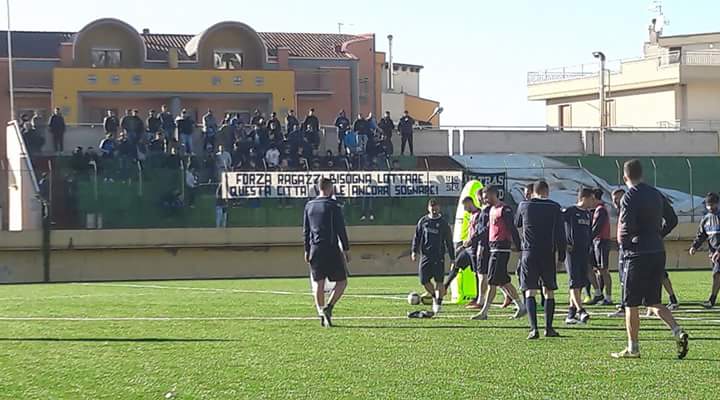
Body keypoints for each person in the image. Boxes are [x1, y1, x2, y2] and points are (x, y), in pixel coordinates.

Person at [611, 159, 688, 359]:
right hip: (657, 251)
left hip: (637, 254)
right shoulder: (655, 193)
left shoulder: (629, 197)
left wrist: (624, 246)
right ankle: (677, 331)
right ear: (642, 174)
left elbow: (625, 227)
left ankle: (633, 348)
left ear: (625, 177)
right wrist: (658, 235)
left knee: (631, 303)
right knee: (653, 301)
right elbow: (672, 219)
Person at [515, 180, 566, 339]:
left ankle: (533, 329)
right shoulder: (554, 207)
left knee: (530, 290)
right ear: (547, 191)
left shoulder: (524, 205)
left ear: (532, 192)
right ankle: (549, 328)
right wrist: (561, 256)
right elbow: (560, 234)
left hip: (529, 252)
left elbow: (516, 223)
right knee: (549, 290)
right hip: (547, 253)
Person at [472, 186, 526, 320]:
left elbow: (512, 228)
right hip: (493, 248)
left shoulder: (504, 209)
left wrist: (518, 247)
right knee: (503, 281)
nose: (484, 199)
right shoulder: (491, 210)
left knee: (492, 282)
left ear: (493, 195)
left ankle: (484, 312)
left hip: (501, 248)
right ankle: (521, 307)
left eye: (486, 196)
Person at [303, 178, 351, 327]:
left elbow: (306, 231)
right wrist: (346, 248)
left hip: (315, 248)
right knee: (342, 282)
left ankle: (320, 313)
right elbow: (340, 229)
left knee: (319, 283)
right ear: (330, 188)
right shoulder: (333, 206)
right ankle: (329, 307)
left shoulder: (309, 206)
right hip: (330, 248)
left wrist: (306, 249)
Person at [562, 188, 594, 325]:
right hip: (572, 252)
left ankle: (571, 313)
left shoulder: (587, 214)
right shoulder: (570, 212)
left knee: (580, 283)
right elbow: (558, 226)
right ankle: (581, 310)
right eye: (592, 198)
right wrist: (564, 243)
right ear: (584, 198)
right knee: (574, 282)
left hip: (584, 251)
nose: (593, 201)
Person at [689, 192, 720, 309]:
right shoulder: (706, 219)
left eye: (713, 204)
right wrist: (694, 246)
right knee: (717, 275)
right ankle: (712, 300)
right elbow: (701, 235)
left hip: (717, 253)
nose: (711, 207)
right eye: (708, 205)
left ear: (718, 203)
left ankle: (711, 300)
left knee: (717, 275)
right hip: (714, 254)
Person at [608, 188, 629, 318]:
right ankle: (624, 304)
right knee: (622, 277)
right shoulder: (620, 211)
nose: (616, 201)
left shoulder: (628, 210)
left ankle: (624, 306)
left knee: (625, 277)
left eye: (619, 198)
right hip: (622, 246)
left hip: (628, 248)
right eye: (614, 199)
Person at [591, 188, 613, 305]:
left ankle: (608, 297)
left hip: (601, 242)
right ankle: (601, 295)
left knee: (604, 270)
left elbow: (597, 228)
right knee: (599, 270)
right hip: (598, 241)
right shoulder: (598, 209)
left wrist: (588, 237)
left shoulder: (601, 210)